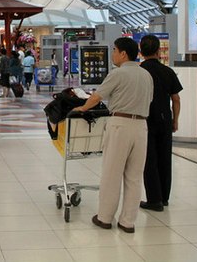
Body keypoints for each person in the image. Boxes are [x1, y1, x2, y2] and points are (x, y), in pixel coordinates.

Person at [72, 37, 153, 233]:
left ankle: (105, 217)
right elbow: (149, 99)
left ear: (123, 54)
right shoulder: (146, 75)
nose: (113, 54)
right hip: (141, 126)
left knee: (112, 173)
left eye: (115, 50)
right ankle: (128, 222)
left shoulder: (118, 73)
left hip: (120, 125)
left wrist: (83, 108)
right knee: (134, 176)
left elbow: (97, 96)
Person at [139, 35, 182, 212]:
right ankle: (164, 198)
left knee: (149, 160)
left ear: (141, 52)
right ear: (158, 51)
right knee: (165, 158)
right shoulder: (167, 71)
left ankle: (154, 199)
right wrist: (175, 119)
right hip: (165, 119)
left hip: (145, 120)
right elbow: (176, 99)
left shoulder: (140, 72)